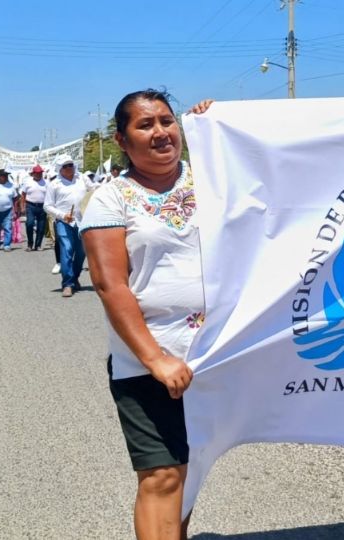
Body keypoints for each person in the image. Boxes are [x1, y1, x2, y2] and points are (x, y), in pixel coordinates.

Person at [81, 90, 213, 540]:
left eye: (167, 121)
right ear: (122, 138)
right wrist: (156, 359)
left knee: (189, 471)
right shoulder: (111, 198)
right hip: (148, 362)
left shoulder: (214, 180)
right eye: (145, 125)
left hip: (215, 355)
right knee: (162, 475)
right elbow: (109, 285)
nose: (160, 132)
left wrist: (220, 127)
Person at [44, 155, 89, 297]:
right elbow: (47, 206)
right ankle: (67, 284)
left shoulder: (82, 179)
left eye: (71, 164)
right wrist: (63, 216)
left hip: (83, 221)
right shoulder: (54, 184)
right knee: (67, 250)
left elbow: (95, 190)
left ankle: (75, 277)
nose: (69, 168)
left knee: (82, 252)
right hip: (64, 222)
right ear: (59, 169)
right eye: (65, 166)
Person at [21, 164, 49, 251]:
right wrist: (22, 207)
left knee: (41, 227)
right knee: (29, 223)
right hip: (30, 206)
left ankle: (38, 245)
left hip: (42, 206)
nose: (38, 174)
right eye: (36, 173)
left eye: (40, 173)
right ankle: (30, 244)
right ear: (33, 173)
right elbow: (23, 195)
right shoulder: (28, 182)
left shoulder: (46, 183)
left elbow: (50, 195)